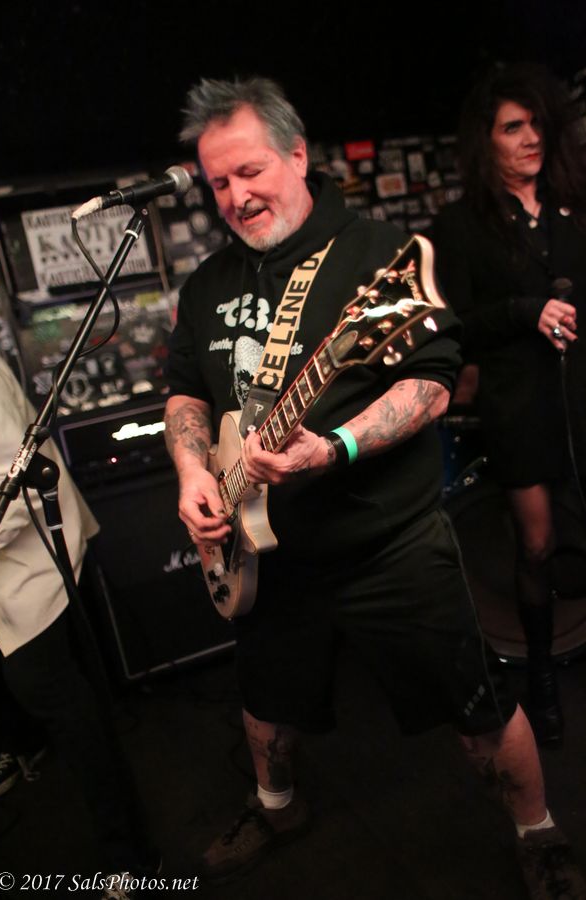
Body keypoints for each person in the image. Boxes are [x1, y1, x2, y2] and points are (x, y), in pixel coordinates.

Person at [164, 76, 586, 899]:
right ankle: (275, 805)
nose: (235, 196)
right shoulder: (207, 283)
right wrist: (191, 471)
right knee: (264, 701)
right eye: (217, 183)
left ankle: (538, 832)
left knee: (477, 707)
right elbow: (186, 392)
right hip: (265, 555)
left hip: (387, 542)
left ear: (296, 154)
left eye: (249, 171)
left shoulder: (378, 257)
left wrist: (337, 447)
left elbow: (433, 383)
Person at [431, 62, 586, 745]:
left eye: (536, 124)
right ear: (484, 140)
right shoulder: (460, 225)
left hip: (580, 392)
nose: (531, 138)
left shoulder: (574, 203)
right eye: (512, 127)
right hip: (519, 401)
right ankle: (542, 678)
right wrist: (526, 310)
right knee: (538, 543)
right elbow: (456, 325)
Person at [0, 345, 158, 900]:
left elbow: (12, 485)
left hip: (28, 570)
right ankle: (18, 743)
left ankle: (130, 858)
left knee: (64, 704)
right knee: (23, 691)